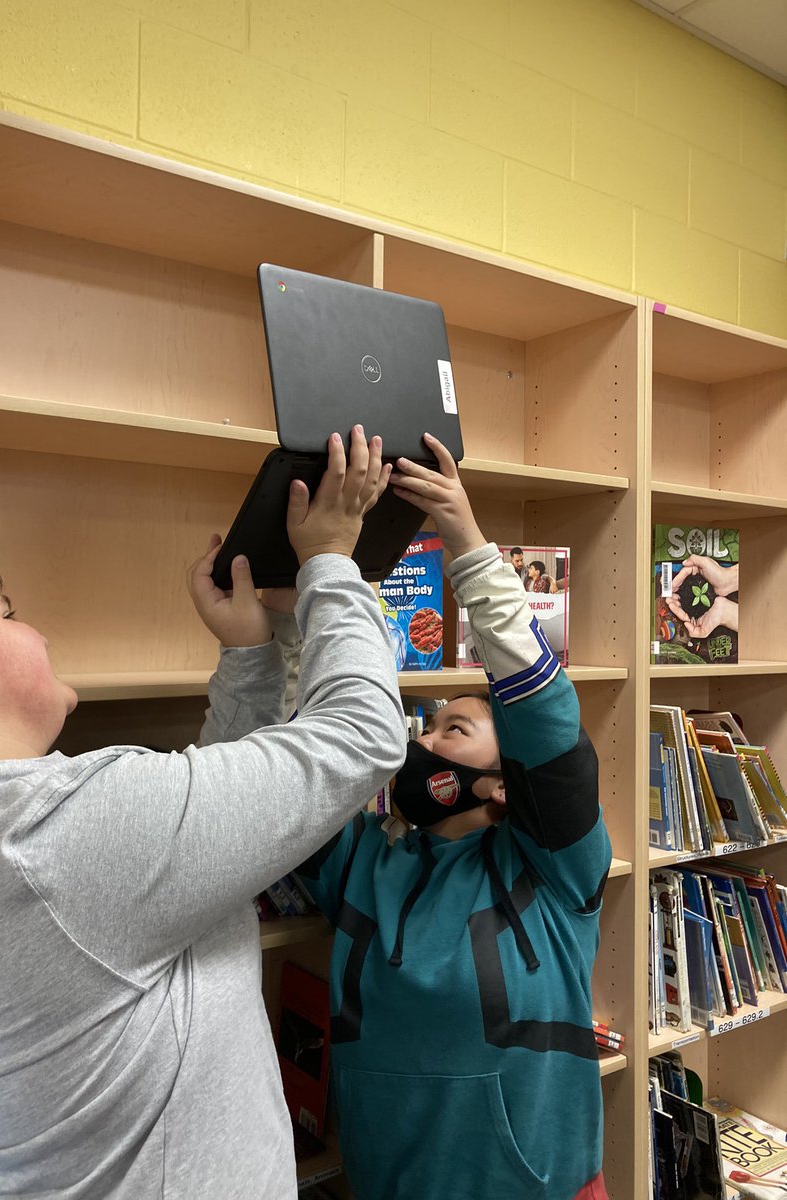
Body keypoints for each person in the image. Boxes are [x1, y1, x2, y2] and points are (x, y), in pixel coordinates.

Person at [0, 427, 407, 1200]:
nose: (39, 630)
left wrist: (249, 658)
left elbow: (199, 856)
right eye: (8, 613)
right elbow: (363, 739)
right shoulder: (54, 835)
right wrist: (333, 562)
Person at [293, 433, 612, 1200]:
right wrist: (280, 621)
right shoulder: (362, 860)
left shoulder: (555, 871)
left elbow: (545, 713)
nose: (423, 744)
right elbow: (292, 764)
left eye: (454, 731)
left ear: (506, 786)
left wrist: (468, 547)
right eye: (425, 726)